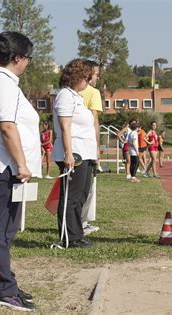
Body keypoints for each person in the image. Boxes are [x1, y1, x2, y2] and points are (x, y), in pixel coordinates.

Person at [0, 31, 39, 312]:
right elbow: (7, 125)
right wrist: (21, 164)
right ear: (17, 58)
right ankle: (2, 289)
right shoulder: (3, 83)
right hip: (6, 166)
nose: (28, 63)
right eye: (28, 58)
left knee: (6, 229)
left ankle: (6, 282)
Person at [52, 58, 96, 249]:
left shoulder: (77, 97)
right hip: (74, 154)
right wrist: (68, 153)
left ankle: (77, 233)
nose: (88, 82)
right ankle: (69, 236)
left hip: (85, 153)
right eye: (86, 78)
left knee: (81, 195)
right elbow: (65, 127)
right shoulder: (65, 96)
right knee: (71, 196)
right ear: (77, 77)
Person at [79, 60, 101, 235]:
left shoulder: (69, 91)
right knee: (88, 187)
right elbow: (95, 122)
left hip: (71, 144)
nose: (97, 78)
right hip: (86, 144)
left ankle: (71, 221)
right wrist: (97, 149)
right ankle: (82, 222)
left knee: (71, 189)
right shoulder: (93, 93)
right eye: (96, 74)